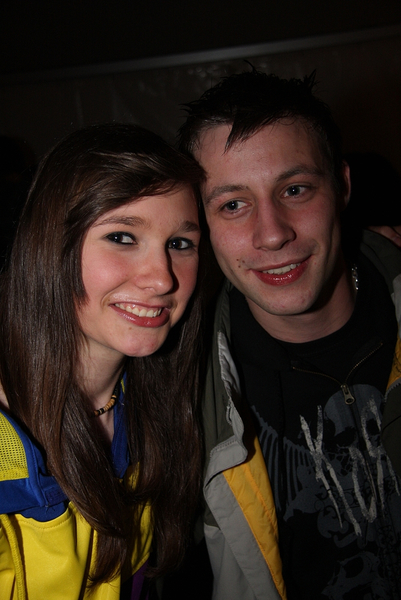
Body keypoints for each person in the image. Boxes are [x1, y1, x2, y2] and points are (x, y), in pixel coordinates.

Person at [178, 69, 401, 599]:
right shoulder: (179, 393)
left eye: (295, 189)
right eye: (233, 204)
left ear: (342, 186)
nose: (273, 233)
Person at [0, 123, 205, 599]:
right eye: (122, 237)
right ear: (51, 245)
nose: (162, 279)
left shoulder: (156, 405)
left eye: (180, 243)